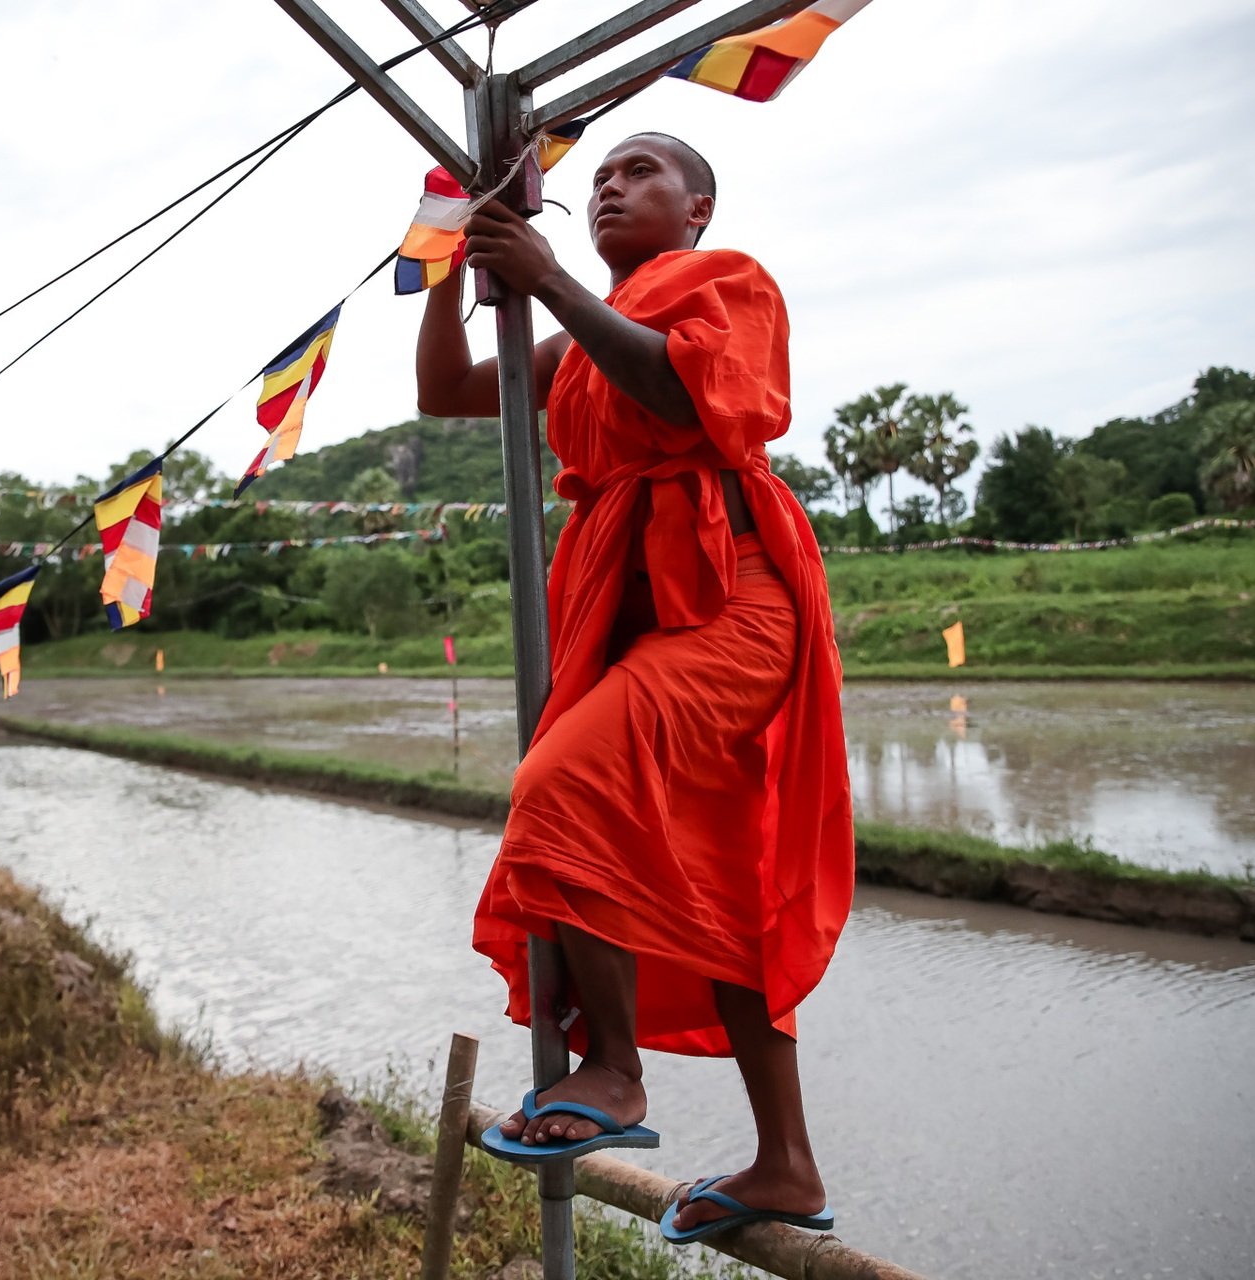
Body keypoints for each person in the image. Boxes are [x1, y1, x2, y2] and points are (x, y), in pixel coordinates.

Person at [413, 132, 853, 1243]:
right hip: (626, 614)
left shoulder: (727, 283)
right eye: (600, 175)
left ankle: (612, 1069)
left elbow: (682, 393)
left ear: (696, 208)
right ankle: (787, 1161)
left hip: (732, 604)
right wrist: (455, 258)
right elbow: (450, 390)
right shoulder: (574, 341)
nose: (611, 185)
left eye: (640, 171)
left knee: (556, 785)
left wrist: (548, 273)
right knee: (721, 881)